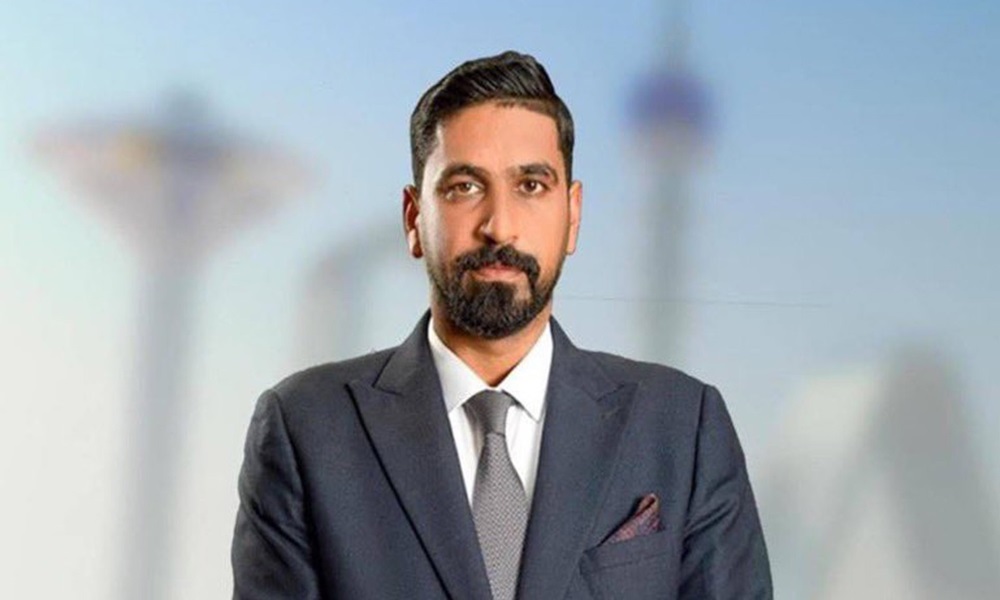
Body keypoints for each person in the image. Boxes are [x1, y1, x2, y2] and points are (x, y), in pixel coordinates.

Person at [231, 51, 772, 600]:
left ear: (573, 215)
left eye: (531, 185)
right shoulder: (305, 429)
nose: (499, 226)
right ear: (414, 219)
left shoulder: (682, 427)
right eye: (465, 187)